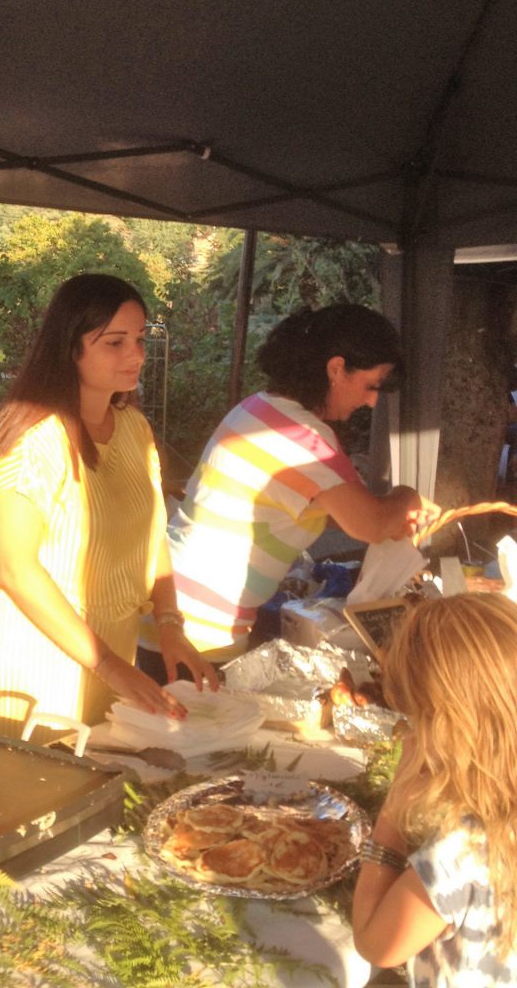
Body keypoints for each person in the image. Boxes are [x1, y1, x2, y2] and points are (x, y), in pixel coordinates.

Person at [0, 274, 218, 743]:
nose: (136, 355)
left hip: (108, 656)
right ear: (70, 348)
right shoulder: (32, 440)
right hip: (32, 660)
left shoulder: (133, 429)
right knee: (40, 801)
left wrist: (169, 624)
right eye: (114, 342)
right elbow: (12, 567)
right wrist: (108, 665)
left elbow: (152, 537)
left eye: (140, 339)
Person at [146, 303, 439, 666]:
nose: (372, 400)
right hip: (197, 626)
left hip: (176, 609)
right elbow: (372, 524)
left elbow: (318, 507)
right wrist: (406, 497)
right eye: (370, 385)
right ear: (336, 368)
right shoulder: (302, 437)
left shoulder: (260, 408)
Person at [352, 593, 517, 985]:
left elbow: (374, 944)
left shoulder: (462, 854)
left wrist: (394, 808)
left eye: (411, 719)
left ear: (443, 729)